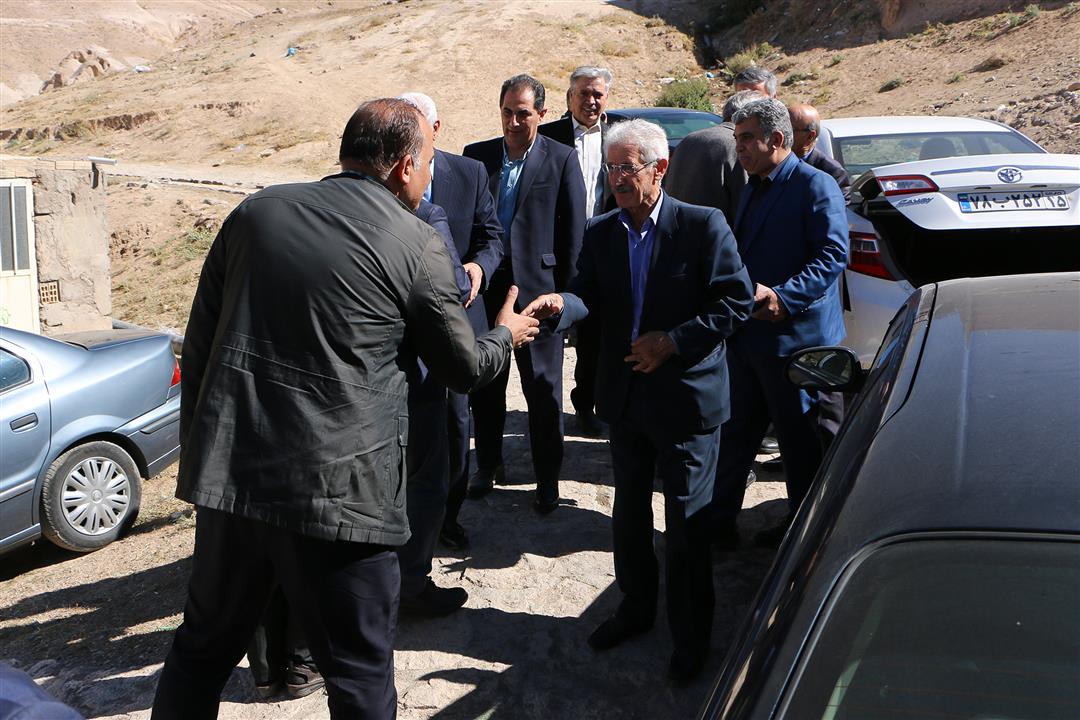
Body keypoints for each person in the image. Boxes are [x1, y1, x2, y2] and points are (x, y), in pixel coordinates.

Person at [151, 98, 538, 720]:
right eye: (428, 163)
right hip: (341, 498)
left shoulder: (257, 211)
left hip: (235, 485)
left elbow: (200, 350)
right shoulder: (414, 241)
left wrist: (204, 459)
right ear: (405, 166)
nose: (429, 177)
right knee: (358, 677)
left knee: (200, 652)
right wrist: (507, 334)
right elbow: (462, 367)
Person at [524, 119, 754, 684]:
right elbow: (588, 295)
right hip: (626, 399)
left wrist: (672, 341)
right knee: (628, 514)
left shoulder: (702, 225)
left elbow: (735, 301)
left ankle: (690, 637)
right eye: (612, 169)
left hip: (686, 403)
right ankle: (635, 607)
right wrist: (562, 305)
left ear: (660, 168)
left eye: (628, 168)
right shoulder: (602, 231)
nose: (618, 179)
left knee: (686, 525)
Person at [710, 98, 848, 549]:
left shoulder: (815, 185)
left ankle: (805, 538)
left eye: (747, 138)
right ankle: (718, 525)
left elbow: (832, 255)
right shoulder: (753, 184)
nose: (739, 148)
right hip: (750, 337)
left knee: (803, 444)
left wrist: (785, 298)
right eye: (737, 138)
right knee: (735, 433)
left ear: (776, 139)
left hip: (800, 344)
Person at [463, 74, 586, 513]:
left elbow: (573, 235)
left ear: (542, 114)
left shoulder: (562, 158)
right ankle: (487, 465)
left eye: (523, 114)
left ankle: (547, 479)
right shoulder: (477, 158)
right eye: (507, 113)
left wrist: (567, 301)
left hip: (539, 296)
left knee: (543, 390)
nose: (513, 122)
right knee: (486, 386)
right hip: (487, 293)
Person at [397, 92, 505, 553]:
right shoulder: (388, 176)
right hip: (403, 325)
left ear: (436, 129)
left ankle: (449, 515)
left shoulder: (469, 172)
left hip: (461, 315)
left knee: (457, 421)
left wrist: (479, 266)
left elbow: (492, 236)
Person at [537, 65, 616, 437]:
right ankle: (545, 407)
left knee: (597, 334)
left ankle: (587, 405)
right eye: (584, 93)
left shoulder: (619, 135)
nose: (591, 100)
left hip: (604, 250)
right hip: (556, 250)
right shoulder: (547, 136)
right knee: (552, 328)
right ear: (569, 97)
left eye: (598, 94)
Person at [664, 89, 764, 227]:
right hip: (717, 235)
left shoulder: (688, 139)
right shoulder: (737, 146)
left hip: (677, 232)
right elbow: (745, 207)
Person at [788, 102, 851, 202]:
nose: (782, 133)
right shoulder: (772, 162)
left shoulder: (832, 171)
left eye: (790, 129)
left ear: (810, 136)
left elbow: (838, 207)